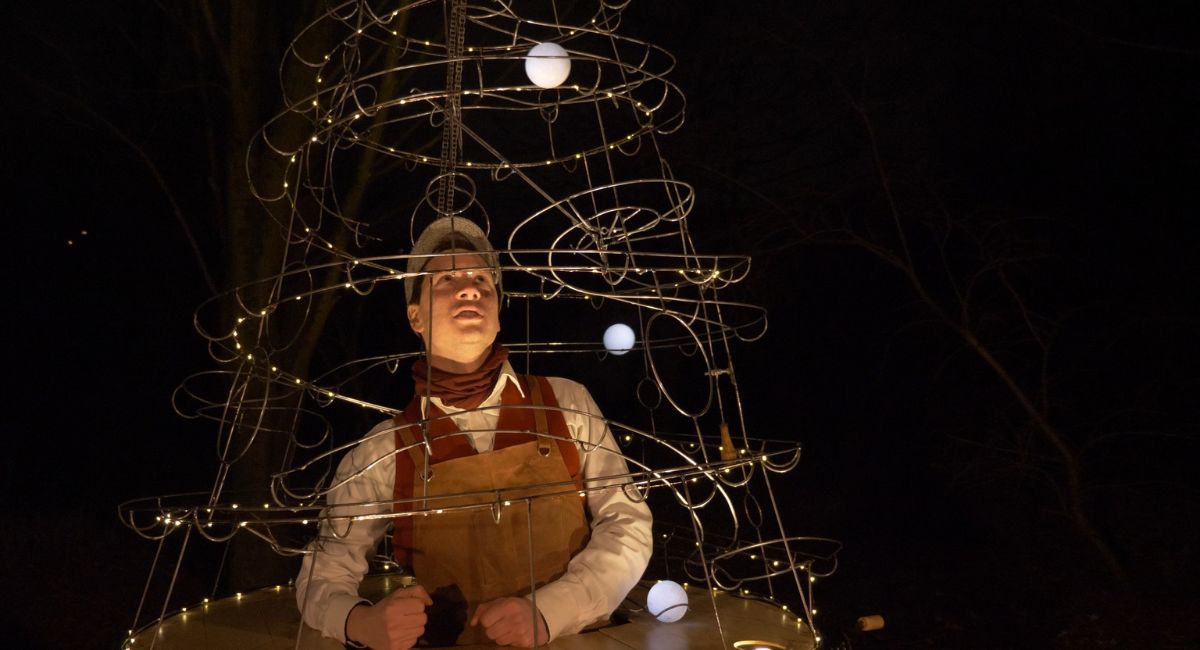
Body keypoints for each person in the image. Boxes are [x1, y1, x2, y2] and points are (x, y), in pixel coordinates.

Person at [296, 217, 653, 649]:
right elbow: (322, 573)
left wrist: (551, 611)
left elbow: (628, 524)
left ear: (498, 314)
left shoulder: (567, 403)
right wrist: (361, 623)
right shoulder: (383, 448)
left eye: (482, 279)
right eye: (447, 279)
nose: (470, 288)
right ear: (415, 316)